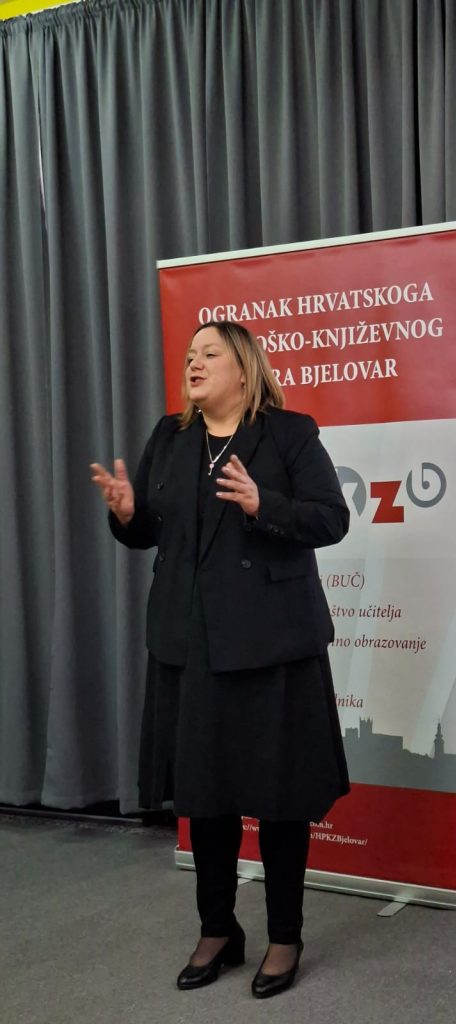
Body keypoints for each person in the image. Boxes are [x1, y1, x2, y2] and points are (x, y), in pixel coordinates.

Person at [90, 320, 350, 998]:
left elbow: (331, 519)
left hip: (271, 647)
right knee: (205, 795)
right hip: (191, 645)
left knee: (280, 798)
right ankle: (218, 929)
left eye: (210, 353)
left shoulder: (289, 434)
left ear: (244, 368)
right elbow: (153, 530)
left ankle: (285, 936)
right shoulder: (171, 437)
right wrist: (127, 514)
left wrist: (266, 504)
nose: (194, 362)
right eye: (189, 355)